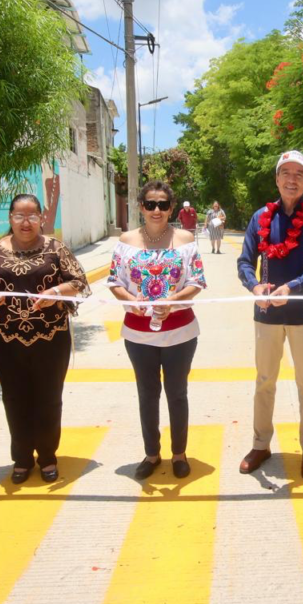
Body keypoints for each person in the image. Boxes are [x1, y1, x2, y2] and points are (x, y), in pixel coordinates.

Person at [0, 194, 90, 484]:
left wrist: (55, 294)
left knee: (48, 399)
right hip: (6, 339)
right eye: (19, 216)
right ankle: (21, 458)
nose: (26, 222)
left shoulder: (55, 248)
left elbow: (79, 282)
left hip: (50, 337)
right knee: (14, 398)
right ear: (10, 218)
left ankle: (47, 457)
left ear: (42, 218)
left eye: (32, 216)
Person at [237, 150, 303, 480]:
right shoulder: (260, 216)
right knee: (264, 381)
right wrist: (254, 287)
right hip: (266, 314)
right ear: (277, 178)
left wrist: (291, 287)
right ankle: (260, 444)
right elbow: (244, 262)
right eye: (286, 173)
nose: (292, 179)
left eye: (299, 174)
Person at [108, 181, 206, 479]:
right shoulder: (126, 240)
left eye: (163, 204)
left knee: (177, 393)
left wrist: (172, 301)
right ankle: (152, 454)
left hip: (180, 331)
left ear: (171, 208)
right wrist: (131, 300)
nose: (156, 210)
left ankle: (179, 453)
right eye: (150, 204)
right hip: (138, 334)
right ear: (141, 206)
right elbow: (114, 282)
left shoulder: (185, 238)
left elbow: (197, 281)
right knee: (147, 394)